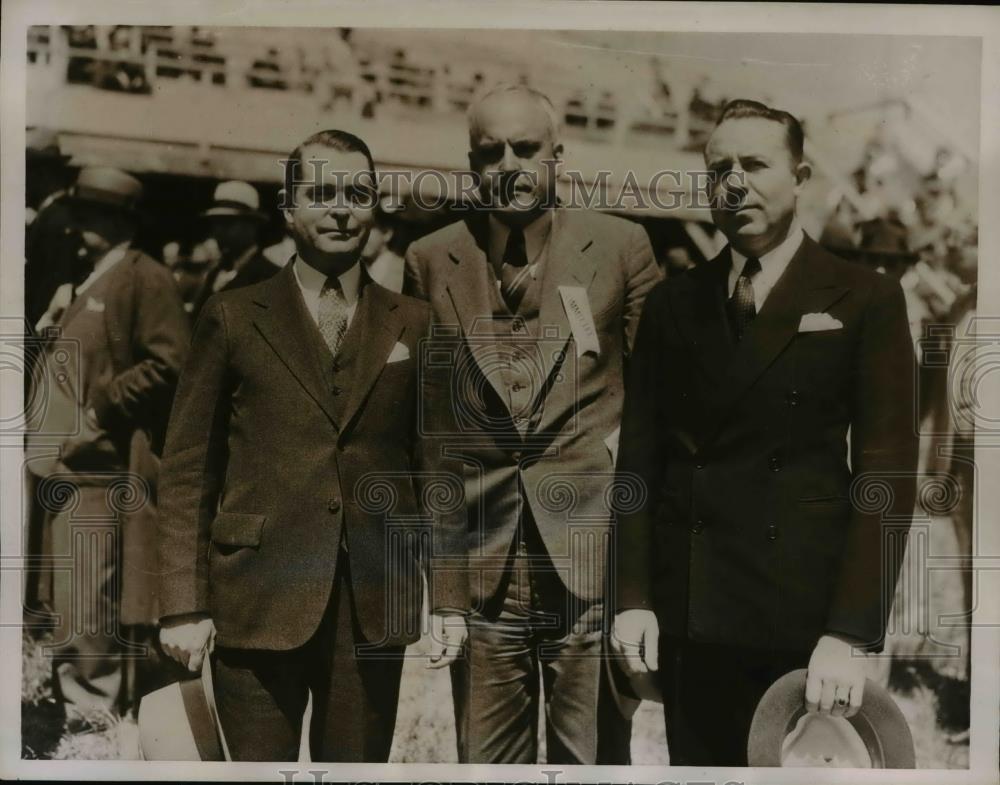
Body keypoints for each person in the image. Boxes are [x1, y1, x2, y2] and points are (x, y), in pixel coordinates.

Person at [612, 99, 919, 766]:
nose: (734, 182)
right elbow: (638, 463)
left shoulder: (863, 297)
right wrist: (633, 599)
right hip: (691, 615)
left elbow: (886, 477)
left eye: (755, 164)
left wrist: (848, 630)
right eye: (719, 167)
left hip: (802, 622)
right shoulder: (674, 302)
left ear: (801, 176)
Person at [155, 129, 468, 762]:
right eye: (321, 193)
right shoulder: (231, 315)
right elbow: (190, 468)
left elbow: (440, 466)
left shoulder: (415, 321)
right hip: (254, 597)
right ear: (289, 209)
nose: (340, 209)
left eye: (357, 193)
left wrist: (451, 597)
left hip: (374, 601)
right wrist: (182, 605)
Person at [405, 83, 660, 764]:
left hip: (591, 554)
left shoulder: (622, 245)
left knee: (593, 755)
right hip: (484, 558)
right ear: (471, 163)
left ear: (558, 156)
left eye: (526, 148)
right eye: (491, 152)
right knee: (487, 761)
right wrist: (447, 589)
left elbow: (659, 408)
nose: (510, 165)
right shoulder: (430, 259)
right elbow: (430, 436)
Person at [25, 166, 190, 714]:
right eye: (78, 213)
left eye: (91, 214)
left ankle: (93, 712)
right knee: (68, 595)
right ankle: (76, 701)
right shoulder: (88, 276)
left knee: (90, 598)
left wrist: (100, 410)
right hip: (66, 462)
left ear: (121, 220)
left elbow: (168, 362)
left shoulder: (145, 277)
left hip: (103, 464)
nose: (78, 225)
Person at [189, 180, 280, 319]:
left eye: (228, 223)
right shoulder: (214, 273)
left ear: (253, 225)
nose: (218, 231)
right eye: (215, 223)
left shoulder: (270, 277)